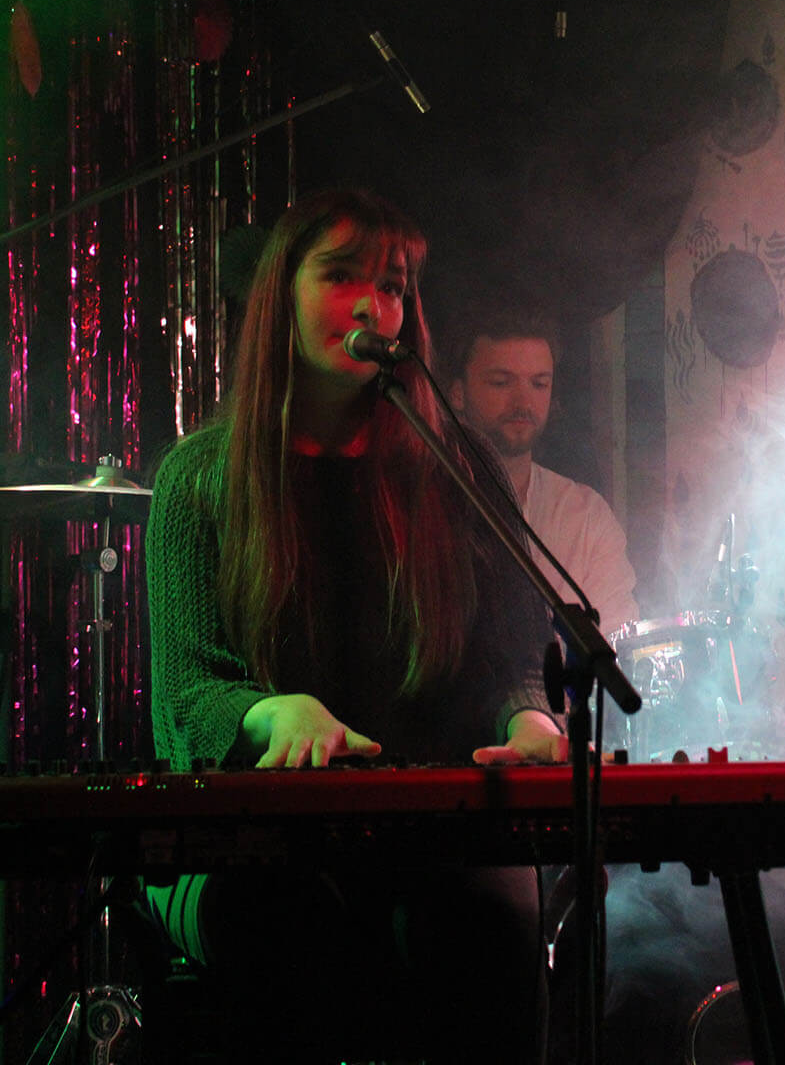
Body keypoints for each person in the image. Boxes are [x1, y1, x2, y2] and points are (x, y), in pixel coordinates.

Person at [144, 189, 565, 1063]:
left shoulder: (457, 469)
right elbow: (189, 688)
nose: (375, 305)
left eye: (394, 285)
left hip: (427, 828)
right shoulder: (201, 478)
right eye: (343, 278)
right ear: (280, 297)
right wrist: (268, 712)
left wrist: (528, 713)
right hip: (245, 836)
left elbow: (513, 650)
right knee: (286, 925)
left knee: (490, 922)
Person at [446, 308, 641, 637]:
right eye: (501, 382)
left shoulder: (585, 516)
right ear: (457, 392)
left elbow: (619, 645)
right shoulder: (420, 501)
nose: (523, 402)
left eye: (539, 384)